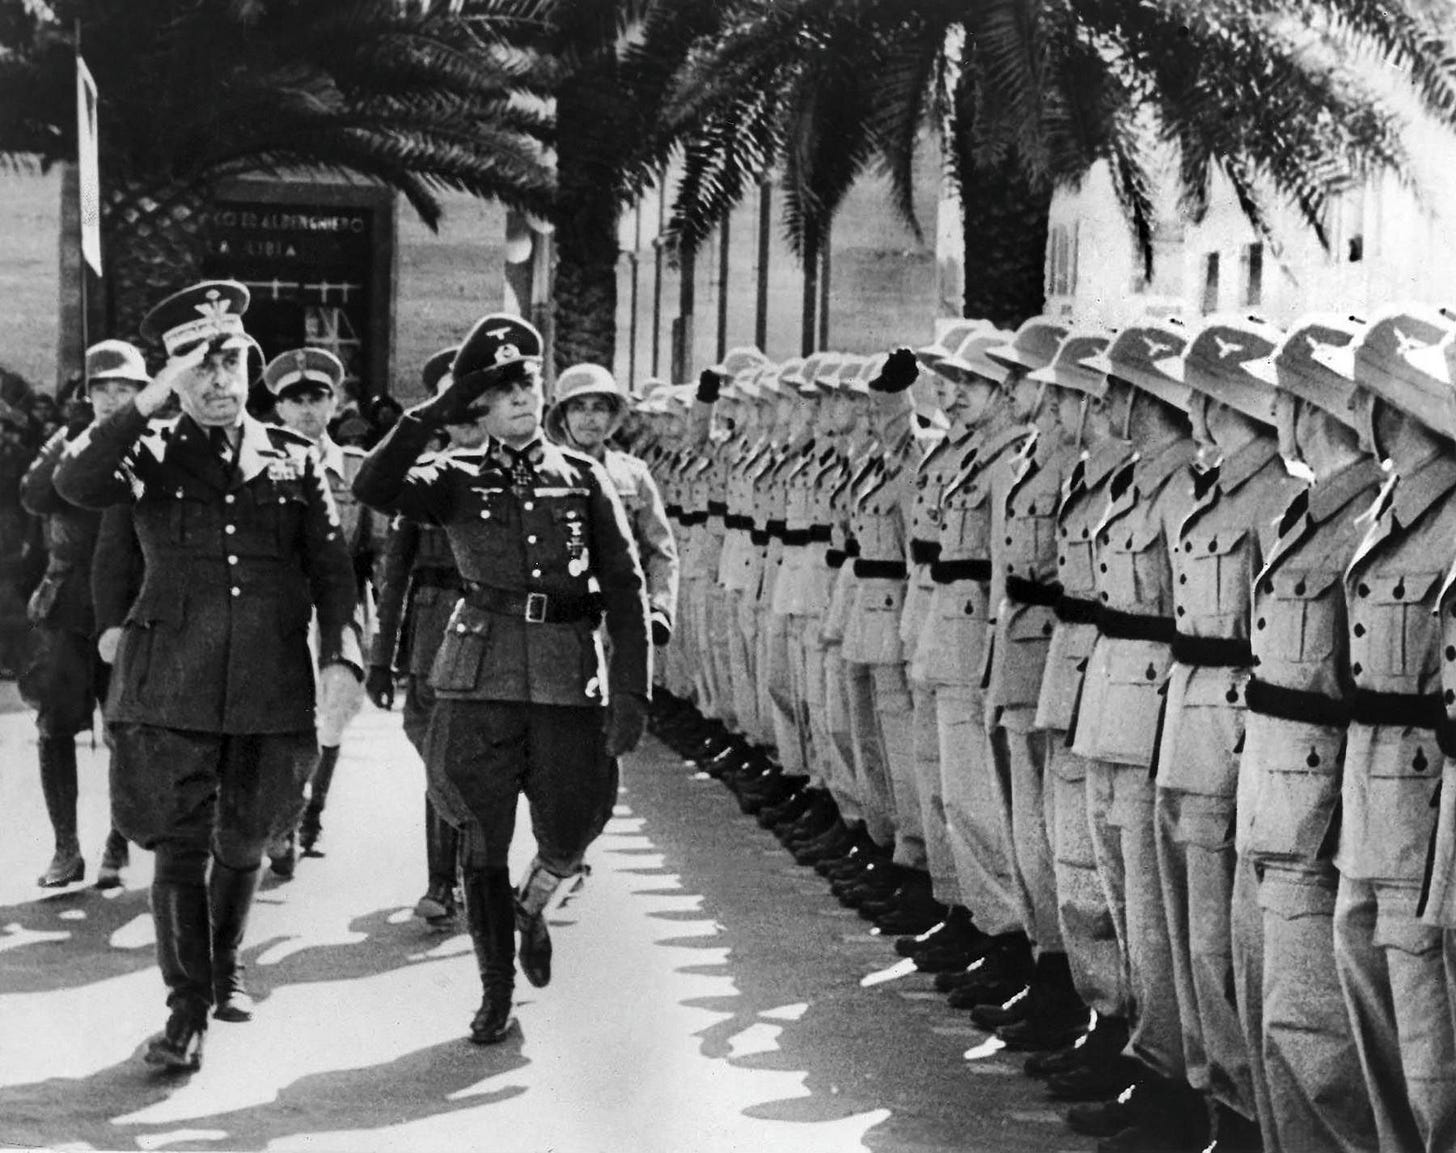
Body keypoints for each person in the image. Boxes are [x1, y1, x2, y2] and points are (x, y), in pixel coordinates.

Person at [54, 279, 361, 1073]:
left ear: (251, 369)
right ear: (175, 375)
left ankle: (225, 969)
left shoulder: (293, 457)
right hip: (170, 682)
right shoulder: (145, 451)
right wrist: (151, 397)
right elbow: (74, 484)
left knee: (245, 837)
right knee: (180, 845)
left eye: (232, 365)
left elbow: (333, 572)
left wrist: (343, 656)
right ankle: (186, 1008)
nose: (220, 382)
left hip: (267, 682)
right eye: (202, 368)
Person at [352, 314, 650, 1046]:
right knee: (482, 838)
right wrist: (432, 413)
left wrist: (631, 691)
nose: (520, 397)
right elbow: (373, 484)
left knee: (575, 826)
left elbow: (625, 584)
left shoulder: (582, 476)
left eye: (528, 383)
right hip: (479, 677)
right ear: (478, 404)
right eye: (503, 387)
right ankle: (495, 991)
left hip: (565, 677)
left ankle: (532, 904)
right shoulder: (452, 477)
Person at [18, 340, 148, 887]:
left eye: (124, 389)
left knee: (127, 729)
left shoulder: (152, 443)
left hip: (129, 604)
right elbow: (34, 495)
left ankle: (118, 843)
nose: (113, 399)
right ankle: (65, 848)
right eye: (103, 390)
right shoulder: (70, 439)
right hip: (69, 605)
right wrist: (79, 439)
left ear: (142, 393)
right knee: (55, 726)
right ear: (87, 394)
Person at [367, 346, 477, 928]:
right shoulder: (423, 480)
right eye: (454, 409)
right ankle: (442, 879)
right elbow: (396, 576)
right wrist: (381, 659)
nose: (466, 420)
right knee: (439, 755)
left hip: (504, 635)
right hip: (435, 637)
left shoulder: (524, 473)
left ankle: (479, 872)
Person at [545, 363, 679, 840]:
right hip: (558, 625)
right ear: (562, 416)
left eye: (599, 408)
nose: (589, 418)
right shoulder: (544, 470)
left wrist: (659, 608)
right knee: (557, 741)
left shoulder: (632, 475)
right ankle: (559, 845)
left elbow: (661, 550)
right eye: (578, 408)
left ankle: (577, 842)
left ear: (614, 416)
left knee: (608, 743)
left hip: (616, 624)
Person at [261, 347, 378, 873]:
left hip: (339, 604)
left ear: (334, 404)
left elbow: (377, 546)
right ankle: (284, 820)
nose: (307, 409)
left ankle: (313, 812)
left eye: (317, 397)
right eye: (296, 399)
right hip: (276, 603)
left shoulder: (357, 468)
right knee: (280, 713)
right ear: (279, 407)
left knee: (335, 709)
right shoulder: (259, 461)